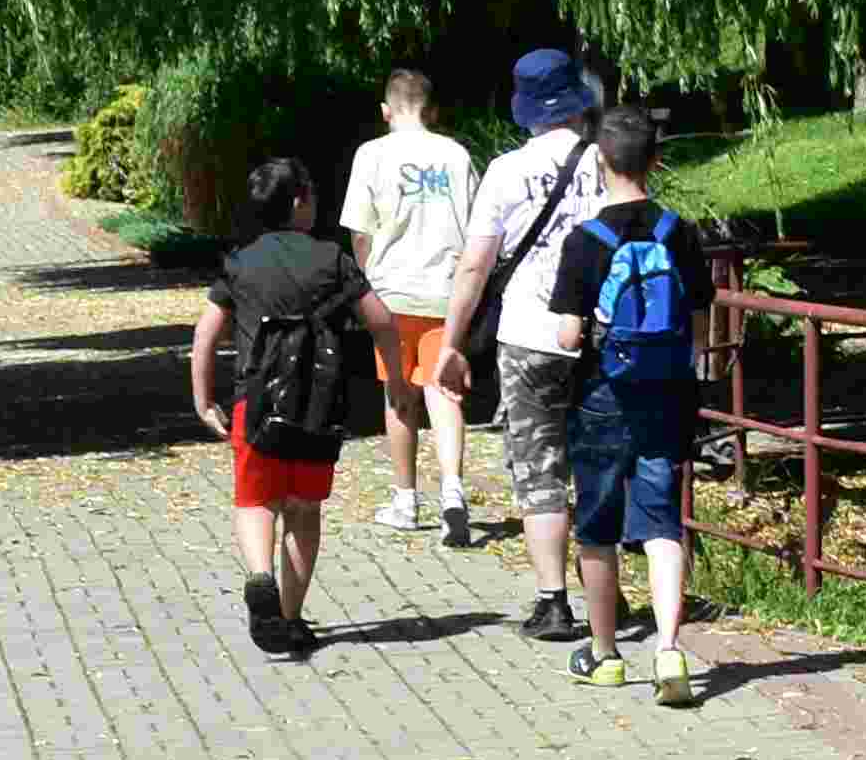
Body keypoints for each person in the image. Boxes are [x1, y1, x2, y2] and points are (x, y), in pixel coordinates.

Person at [534, 105, 714, 706]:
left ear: (599, 163)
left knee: (598, 524)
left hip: (603, 394)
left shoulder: (586, 241)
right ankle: (669, 649)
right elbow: (699, 317)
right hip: (666, 391)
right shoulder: (679, 231)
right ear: (655, 161)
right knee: (662, 521)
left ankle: (606, 655)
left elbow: (566, 335)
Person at [444, 48, 614, 644]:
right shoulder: (607, 163)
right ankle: (605, 600)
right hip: (602, 332)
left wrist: (452, 341)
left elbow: (474, 268)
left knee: (540, 467)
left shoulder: (506, 171)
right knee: (596, 461)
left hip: (529, 336)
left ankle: (553, 603)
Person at [196, 156, 386, 659]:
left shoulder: (240, 262)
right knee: (303, 511)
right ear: (299, 200)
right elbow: (380, 321)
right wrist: (397, 379)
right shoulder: (333, 259)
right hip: (318, 404)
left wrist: (203, 398)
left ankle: (260, 577)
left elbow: (206, 335)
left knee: (257, 501)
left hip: (255, 402)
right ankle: (291, 618)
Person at [338, 65, 480, 542]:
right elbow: (477, 231)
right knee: (444, 391)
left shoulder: (372, 155)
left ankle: (405, 499)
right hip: (446, 289)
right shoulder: (457, 156)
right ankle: (454, 492)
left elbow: (360, 232)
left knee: (399, 395)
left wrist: (364, 284)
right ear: (432, 109)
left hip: (391, 291)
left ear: (386, 111)